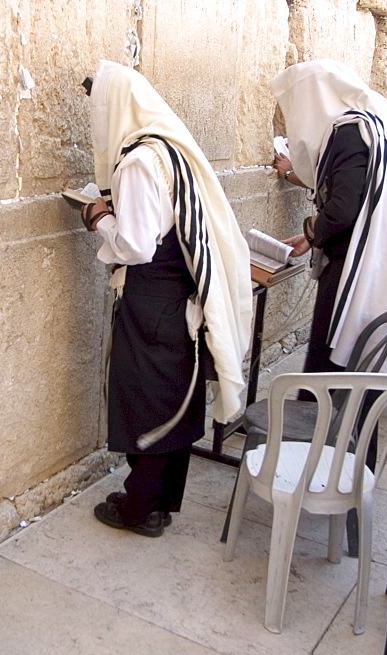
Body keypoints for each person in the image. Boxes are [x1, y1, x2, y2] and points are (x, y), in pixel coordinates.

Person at [82, 61, 252, 538]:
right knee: (175, 394)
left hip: (152, 298)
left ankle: (138, 509)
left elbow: (136, 245)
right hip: (178, 298)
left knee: (148, 400)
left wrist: (97, 217)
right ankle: (159, 503)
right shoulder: (171, 152)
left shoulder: (139, 161)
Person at [270, 59, 387, 376]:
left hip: (354, 266)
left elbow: (343, 211)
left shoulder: (348, 131)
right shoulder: (382, 125)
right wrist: (309, 236)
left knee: (331, 365)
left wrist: (312, 228)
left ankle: (325, 424)